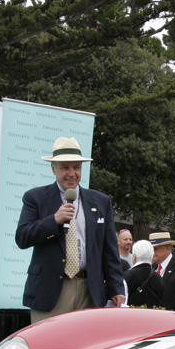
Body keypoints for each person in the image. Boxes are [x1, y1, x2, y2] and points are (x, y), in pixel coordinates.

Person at [15, 137, 125, 323]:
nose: (72, 173)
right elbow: (22, 237)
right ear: (54, 169)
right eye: (65, 167)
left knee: (87, 348)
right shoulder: (36, 198)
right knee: (48, 346)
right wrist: (54, 220)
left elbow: (109, 250)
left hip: (90, 290)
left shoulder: (100, 201)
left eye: (77, 167)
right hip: (50, 291)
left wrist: (116, 288)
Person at [123, 240, 164, 308]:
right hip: (154, 317)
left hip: (131, 317)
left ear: (134, 257)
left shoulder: (127, 276)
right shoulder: (159, 278)